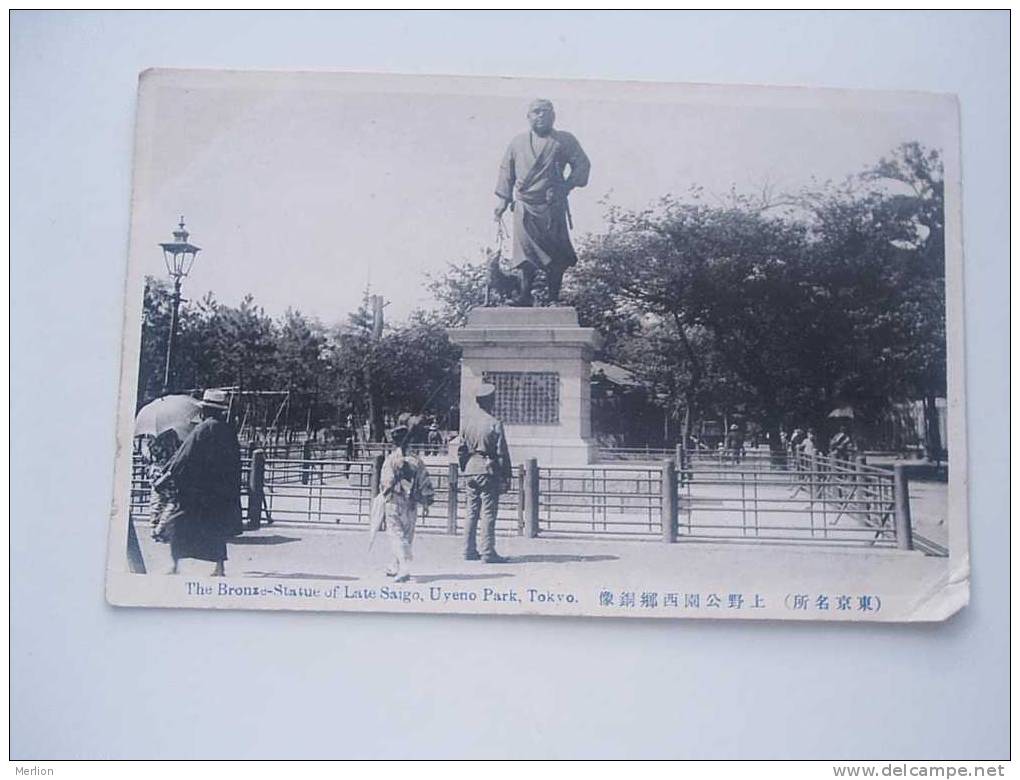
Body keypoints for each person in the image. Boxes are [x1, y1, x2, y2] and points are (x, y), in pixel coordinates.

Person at [494, 99, 591, 306]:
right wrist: (503, 200)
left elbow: (582, 164)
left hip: (551, 205)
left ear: (553, 116)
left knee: (555, 253)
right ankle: (524, 295)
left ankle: (553, 297)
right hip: (524, 205)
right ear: (528, 116)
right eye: (536, 112)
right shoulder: (517, 142)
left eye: (545, 112)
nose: (541, 115)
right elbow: (506, 171)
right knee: (524, 253)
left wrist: (566, 186)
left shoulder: (565, 140)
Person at [155, 389, 243, 576]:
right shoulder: (227, 430)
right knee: (215, 529)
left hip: (197, 491)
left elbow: (184, 456)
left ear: (206, 410)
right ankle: (219, 568)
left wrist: (167, 475)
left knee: (176, 524)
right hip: (218, 491)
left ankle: (175, 564)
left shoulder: (203, 429)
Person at [458, 383, 513, 563]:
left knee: (471, 511)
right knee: (488, 512)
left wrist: (465, 467)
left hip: (470, 469)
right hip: (487, 469)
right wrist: (506, 475)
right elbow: (501, 452)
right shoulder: (494, 423)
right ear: (491, 401)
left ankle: (468, 550)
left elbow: (461, 449)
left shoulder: (467, 423)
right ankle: (488, 552)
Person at [378, 419, 435, 583]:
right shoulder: (417, 461)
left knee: (396, 535)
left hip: (395, 502)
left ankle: (403, 567)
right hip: (411, 504)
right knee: (407, 536)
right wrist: (425, 502)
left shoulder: (390, 460)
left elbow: (386, 482)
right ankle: (394, 564)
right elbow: (425, 483)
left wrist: (385, 492)